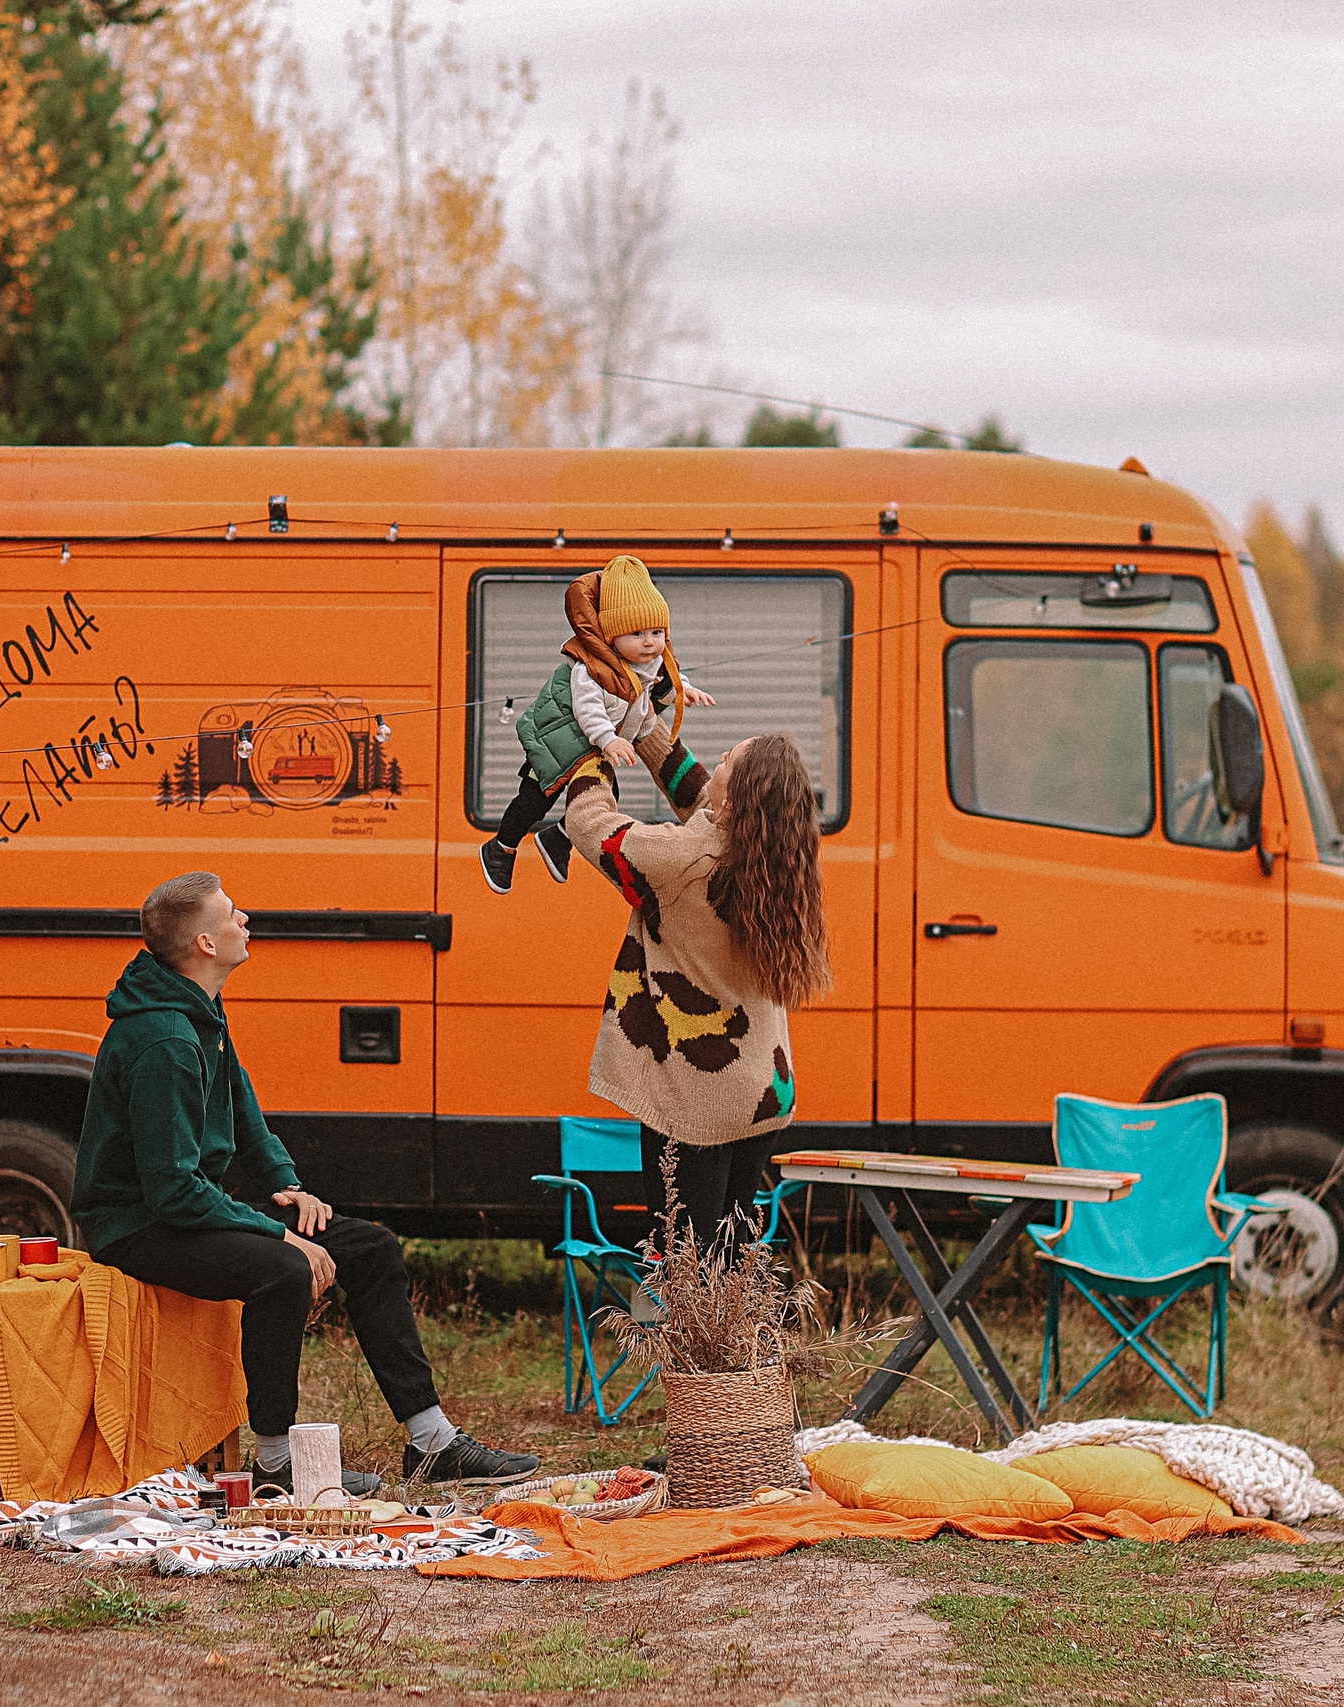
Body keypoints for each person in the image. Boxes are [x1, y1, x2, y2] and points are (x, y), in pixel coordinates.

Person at [71, 871, 542, 1490]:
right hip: (136, 1228)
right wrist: (281, 1236)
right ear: (205, 944)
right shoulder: (166, 1041)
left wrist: (285, 1184)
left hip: (183, 1210)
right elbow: (172, 1191)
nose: (245, 920)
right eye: (232, 913)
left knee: (370, 1247)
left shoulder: (199, 1009)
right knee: (283, 1271)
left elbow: (244, 1111)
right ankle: (276, 1464)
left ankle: (433, 1443)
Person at [558, 730, 831, 1243]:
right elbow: (702, 798)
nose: (718, 759)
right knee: (729, 1255)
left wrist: (589, 751)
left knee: (683, 1258)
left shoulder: (681, 858)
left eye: (728, 759)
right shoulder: (776, 855)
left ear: (738, 799)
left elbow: (589, 825)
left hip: (697, 1099)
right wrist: (643, 728)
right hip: (762, 1094)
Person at [480, 553, 714, 895]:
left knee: (607, 797)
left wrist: (684, 690)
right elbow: (587, 708)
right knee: (535, 798)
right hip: (558, 738)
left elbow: (665, 675)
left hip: (593, 747)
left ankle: (558, 838)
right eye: (637, 633)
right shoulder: (589, 667)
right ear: (611, 636)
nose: (649, 642)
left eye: (657, 632)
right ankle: (501, 847)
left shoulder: (650, 659)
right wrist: (608, 739)